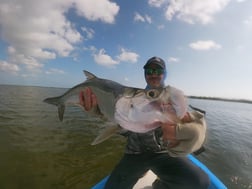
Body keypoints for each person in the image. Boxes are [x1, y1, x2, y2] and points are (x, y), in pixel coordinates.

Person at [79, 56, 210, 189]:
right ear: (145, 74)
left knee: (199, 182)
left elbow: (189, 115)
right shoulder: (132, 97)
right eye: (149, 71)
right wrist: (105, 113)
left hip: (163, 154)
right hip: (134, 153)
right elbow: (124, 130)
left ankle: (159, 186)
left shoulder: (172, 98)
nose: (154, 74)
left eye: (158, 71)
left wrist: (199, 129)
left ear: (165, 74)